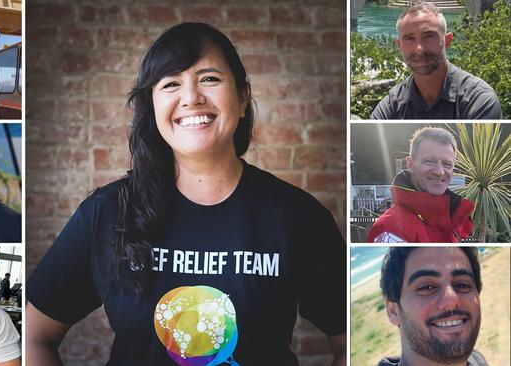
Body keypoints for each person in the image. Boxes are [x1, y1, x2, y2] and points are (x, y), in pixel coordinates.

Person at [26, 22, 347, 365]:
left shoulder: (298, 216)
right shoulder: (107, 211)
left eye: (209, 78)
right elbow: (33, 337)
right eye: (171, 84)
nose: (191, 98)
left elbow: (349, 345)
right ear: (152, 108)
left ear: (242, 98)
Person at [371, 2, 502, 119]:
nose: (419, 49)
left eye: (429, 36)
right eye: (409, 38)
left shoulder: (478, 99)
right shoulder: (392, 104)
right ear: (399, 45)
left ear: (448, 41)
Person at [378, 247, 488, 365]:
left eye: (462, 285)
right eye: (427, 287)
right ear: (393, 311)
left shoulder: (477, 360)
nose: (451, 299)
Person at [368, 127, 474, 243]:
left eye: (447, 164)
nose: (439, 172)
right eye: (429, 161)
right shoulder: (391, 228)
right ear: (410, 165)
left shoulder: (449, 219)